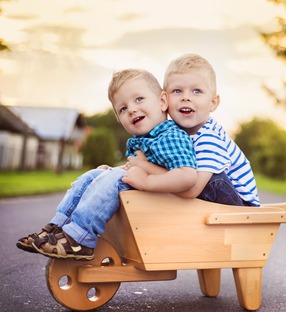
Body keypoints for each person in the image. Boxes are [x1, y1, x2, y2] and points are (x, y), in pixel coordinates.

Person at [16, 68, 197, 260]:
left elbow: (187, 175)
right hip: (147, 202)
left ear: (162, 102)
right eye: (123, 109)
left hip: (166, 208)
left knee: (114, 176)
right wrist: (112, 171)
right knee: (93, 175)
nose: (132, 109)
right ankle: (58, 227)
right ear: (119, 119)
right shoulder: (142, 141)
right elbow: (136, 168)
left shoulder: (170, 136)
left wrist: (145, 182)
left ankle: (80, 238)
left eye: (139, 99)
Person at [165, 53, 260, 207]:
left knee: (212, 178)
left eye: (196, 91)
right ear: (163, 99)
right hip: (209, 201)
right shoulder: (171, 135)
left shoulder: (210, 137)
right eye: (177, 91)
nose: (186, 97)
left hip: (240, 209)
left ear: (213, 103)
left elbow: (192, 190)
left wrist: (148, 178)